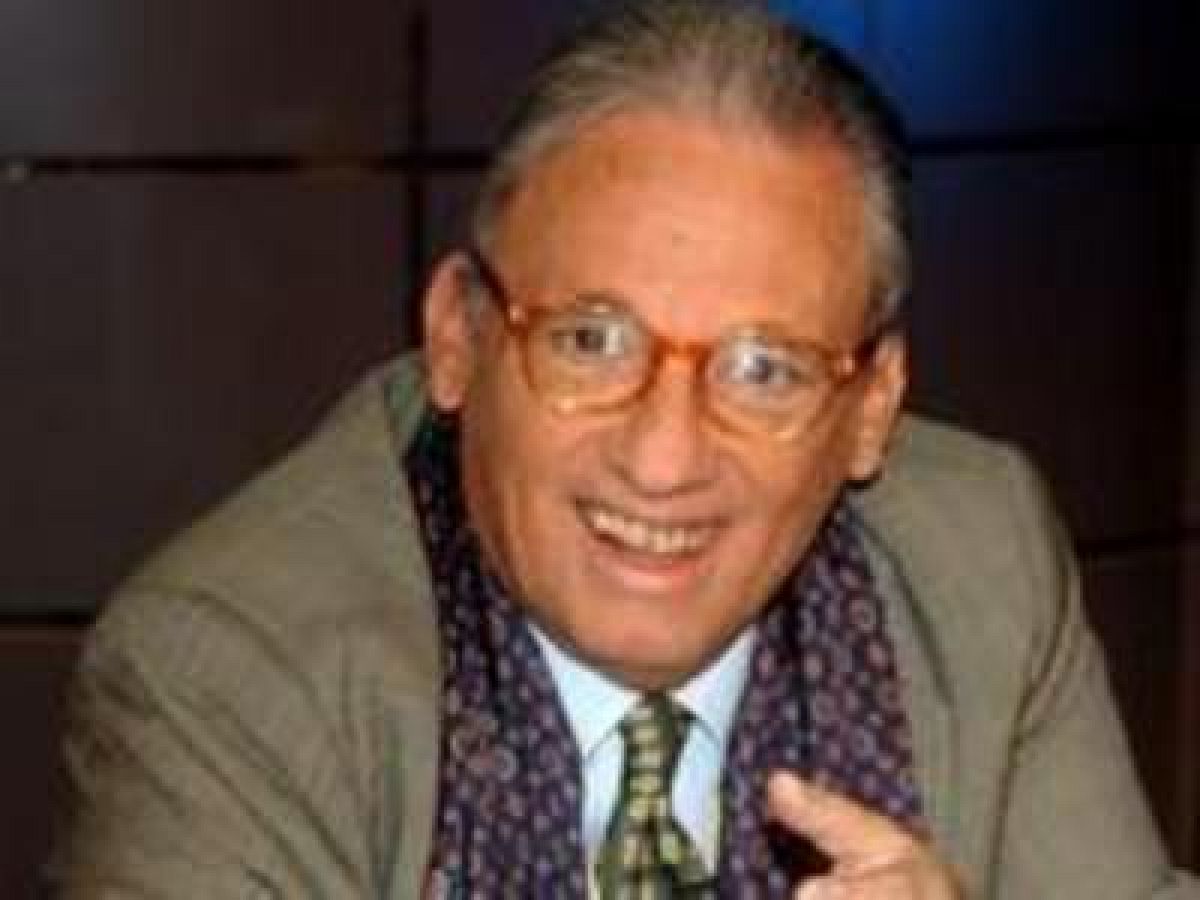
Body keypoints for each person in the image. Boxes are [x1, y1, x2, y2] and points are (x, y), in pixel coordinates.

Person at [53, 1, 1198, 897]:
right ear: (458, 337)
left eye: (764, 369)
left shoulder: (979, 557)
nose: (662, 460)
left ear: (870, 408)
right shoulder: (231, 676)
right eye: (592, 341)